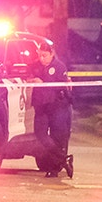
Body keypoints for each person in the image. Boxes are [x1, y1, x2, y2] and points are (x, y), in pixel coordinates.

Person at [30, 42, 74, 178]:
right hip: (41, 106)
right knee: (41, 134)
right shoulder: (35, 66)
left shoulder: (59, 67)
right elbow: (27, 75)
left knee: (57, 137)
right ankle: (64, 159)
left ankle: (54, 169)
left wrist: (42, 84)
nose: (42, 59)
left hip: (57, 106)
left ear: (51, 54)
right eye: (40, 55)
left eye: (45, 56)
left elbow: (60, 86)